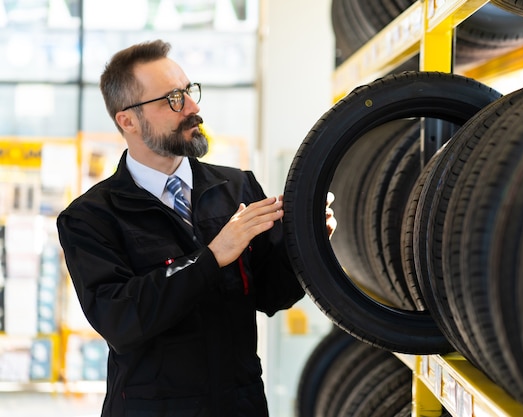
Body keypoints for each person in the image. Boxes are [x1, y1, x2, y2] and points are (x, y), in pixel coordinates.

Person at [57, 39, 335, 417]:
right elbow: (120, 320)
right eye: (172, 99)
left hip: (241, 406)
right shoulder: (90, 217)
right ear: (128, 120)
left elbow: (271, 295)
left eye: (188, 92)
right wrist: (212, 257)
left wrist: (306, 243)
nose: (193, 108)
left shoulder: (238, 188)